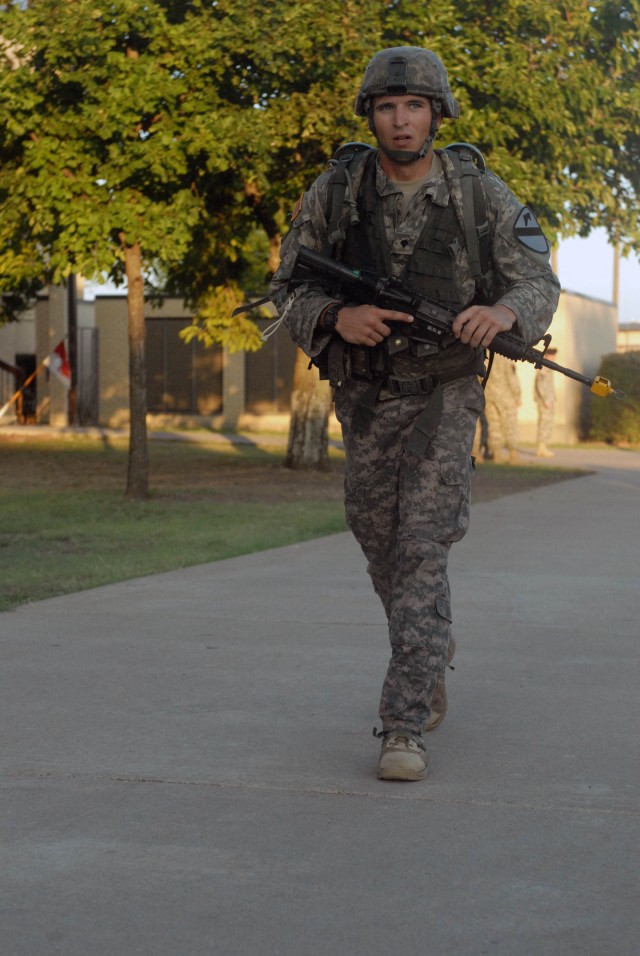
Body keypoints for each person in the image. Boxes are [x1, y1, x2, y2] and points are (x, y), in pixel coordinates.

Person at [269, 47, 560, 781]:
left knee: (422, 547)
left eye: (415, 107)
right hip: (364, 395)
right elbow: (285, 289)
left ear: (437, 114)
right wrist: (339, 315)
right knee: (378, 538)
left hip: (445, 393)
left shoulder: (478, 193)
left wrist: (499, 311)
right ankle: (426, 639)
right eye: (387, 107)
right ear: (371, 115)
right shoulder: (337, 191)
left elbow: (537, 280)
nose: (401, 121)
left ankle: (404, 724)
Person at [484, 354, 522, 464]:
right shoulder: (505, 356)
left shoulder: (485, 355)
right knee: (510, 425)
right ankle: (513, 456)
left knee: (494, 425)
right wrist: (517, 395)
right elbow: (511, 378)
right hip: (505, 396)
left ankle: (497, 455)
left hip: (489, 395)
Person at [534, 347, 557, 457]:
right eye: (552, 355)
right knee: (544, 423)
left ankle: (543, 447)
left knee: (547, 424)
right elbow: (540, 385)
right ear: (547, 355)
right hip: (545, 402)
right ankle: (541, 448)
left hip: (549, 400)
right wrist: (546, 400)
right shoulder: (543, 367)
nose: (554, 358)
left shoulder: (549, 368)